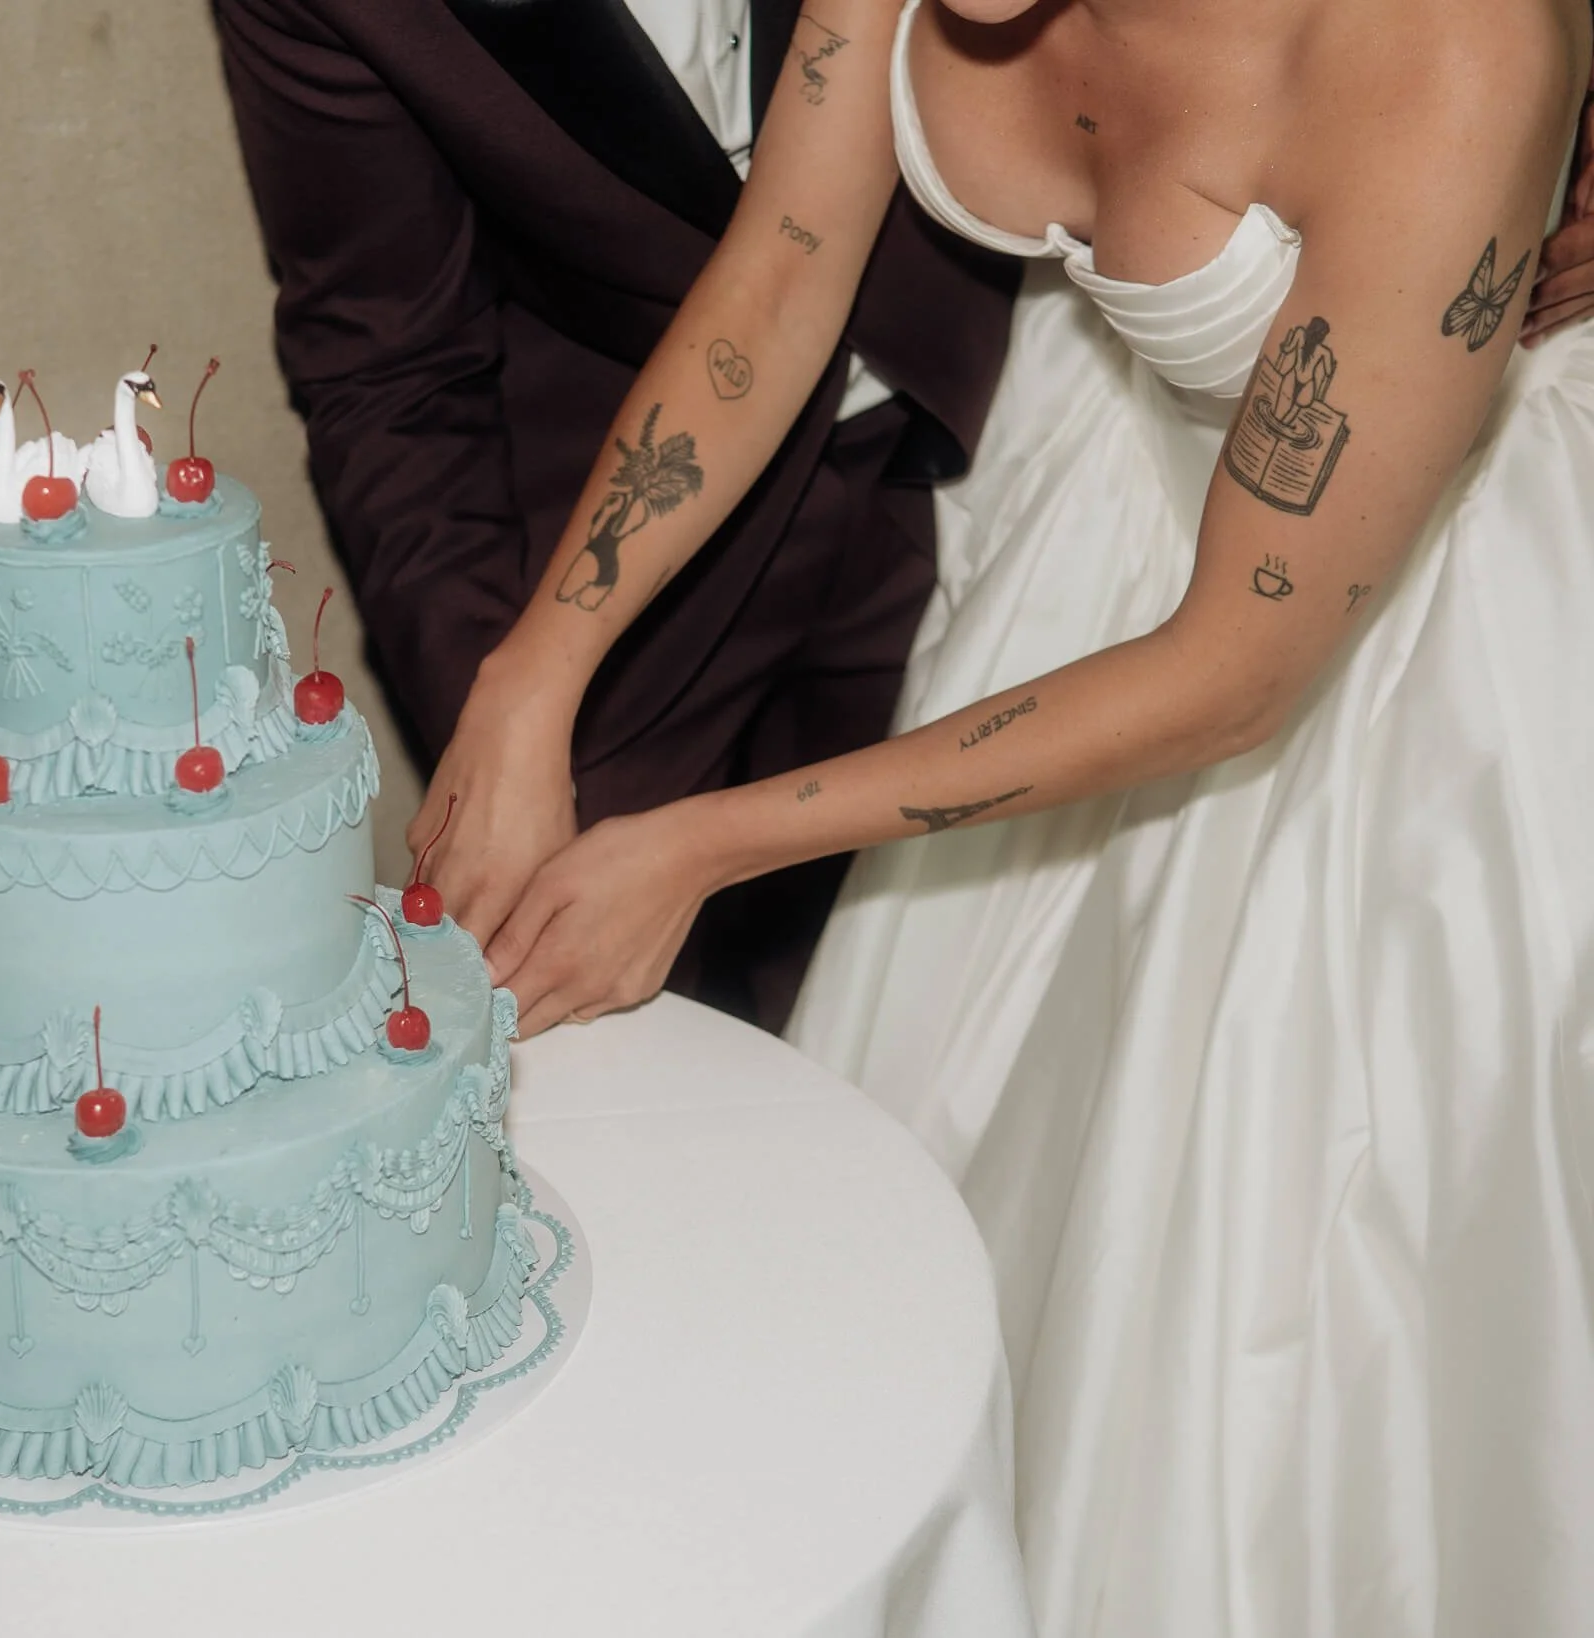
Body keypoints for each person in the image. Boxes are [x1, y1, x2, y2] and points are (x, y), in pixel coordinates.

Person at [417, 0, 1594, 1629]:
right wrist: (532, 668)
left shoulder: (1444, 47)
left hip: (1389, 642)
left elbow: (1238, 673)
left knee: (1253, 1297)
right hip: (1124, 539)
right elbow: (775, 283)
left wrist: (701, 836)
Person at [212, 0, 1018, 1032]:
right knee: (575, 1013)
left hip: (971, 438)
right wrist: (501, 699)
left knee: (926, 1009)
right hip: (621, 530)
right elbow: (386, 360)